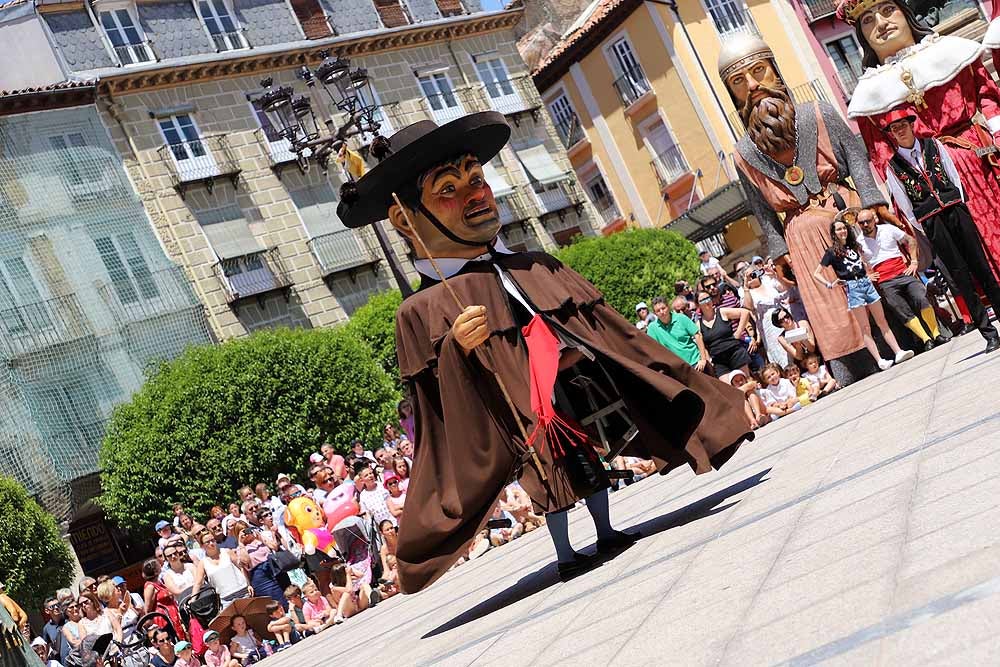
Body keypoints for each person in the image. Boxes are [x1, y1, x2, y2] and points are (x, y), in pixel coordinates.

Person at [337, 111, 750, 592]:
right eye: (448, 189)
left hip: (573, 404)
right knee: (550, 482)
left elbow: (611, 335)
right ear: (404, 220)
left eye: (476, 179)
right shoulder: (420, 310)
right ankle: (565, 552)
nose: (475, 195)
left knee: (589, 468)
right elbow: (436, 409)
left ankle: (606, 530)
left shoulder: (535, 264)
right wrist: (455, 351)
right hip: (520, 426)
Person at [720, 35, 889, 385]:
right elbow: (760, 209)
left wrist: (871, 200)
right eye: (739, 81)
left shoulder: (819, 113)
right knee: (828, 305)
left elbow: (857, 158)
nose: (753, 86)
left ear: (774, 71)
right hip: (800, 234)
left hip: (845, 214)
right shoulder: (742, 154)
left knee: (872, 281)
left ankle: (899, 340)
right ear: (732, 93)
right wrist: (779, 249)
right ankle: (852, 367)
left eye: (758, 71)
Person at [839, 0, 1000, 273]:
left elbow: (988, 95)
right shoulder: (868, 94)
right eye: (867, 20)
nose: (881, 23)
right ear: (862, 37)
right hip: (929, 186)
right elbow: (882, 157)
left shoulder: (951, 51)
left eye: (888, 10)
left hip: (981, 162)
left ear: (906, 13)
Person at [879, 112, 1000, 353]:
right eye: (895, 129)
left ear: (912, 126)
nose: (900, 131)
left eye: (903, 125)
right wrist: (925, 222)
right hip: (932, 221)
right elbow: (903, 202)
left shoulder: (933, 145)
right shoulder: (892, 167)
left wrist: (958, 202)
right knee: (960, 275)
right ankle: (989, 333)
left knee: (981, 266)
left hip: (955, 209)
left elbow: (952, 173)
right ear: (891, 135)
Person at [815, 216, 915, 370]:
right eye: (839, 229)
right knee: (865, 327)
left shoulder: (854, 246)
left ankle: (898, 351)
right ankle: (879, 360)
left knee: (882, 321)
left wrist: (868, 274)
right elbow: (817, 273)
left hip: (866, 283)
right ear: (834, 233)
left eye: (844, 228)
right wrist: (830, 284)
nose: (842, 231)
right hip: (853, 287)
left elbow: (864, 263)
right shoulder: (831, 252)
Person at [853, 205, 944, 352]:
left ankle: (936, 334)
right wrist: (867, 274)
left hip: (904, 273)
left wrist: (914, 262)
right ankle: (926, 339)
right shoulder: (858, 242)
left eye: (867, 221)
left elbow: (911, 240)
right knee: (901, 309)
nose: (865, 225)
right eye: (861, 222)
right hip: (885, 281)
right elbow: (856, 262)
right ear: (858, 224)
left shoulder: (888, 229)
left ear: (873, 220)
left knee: (921, 297)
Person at [695, 290, 752, 378]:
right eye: (702, 300)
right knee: (728, 389)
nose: (706, 302)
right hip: (718, 360)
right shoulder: (698, 324)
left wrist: (738, 332)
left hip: (735, 352)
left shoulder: (721, 312)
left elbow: (745, 312)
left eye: (708, 298)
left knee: (745, 380)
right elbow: (703, 346)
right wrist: (708, 360)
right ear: (698, 305)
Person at [646, 296, 710, 372]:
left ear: (668, 307)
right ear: (654, 313)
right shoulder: (652, 328)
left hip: (696, 362)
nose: (662, 312)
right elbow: (653, 349)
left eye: (663, 308)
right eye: (658, 311)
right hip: (676, 369)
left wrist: (703, 359)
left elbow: (698, 335)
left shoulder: (681, 318)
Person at [191, 532, 250, 609]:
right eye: (207, 542)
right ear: (202, 546)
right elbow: (198, 583)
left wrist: (249, 584)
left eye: (213, 540)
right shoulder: (203, 563)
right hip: (225, 599)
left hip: (243, 591)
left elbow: (241, 567)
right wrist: (192, 600)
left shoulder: (227, 552)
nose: (211, 543)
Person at [141, 559, 186, 642]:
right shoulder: (150, 586)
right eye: (158, 565)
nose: (161, 565)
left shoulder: (159, 582)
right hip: (164, 619)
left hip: (173, 617)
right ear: (155, 570)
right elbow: (147, 609)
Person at [42, 597, 66, 664]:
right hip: (63, 663)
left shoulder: (68, 619)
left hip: (78, 658)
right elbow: (47, 647)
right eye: (52, 607)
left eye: (58, 605)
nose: (56, 607)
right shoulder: (46, 628)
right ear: (47, 611)